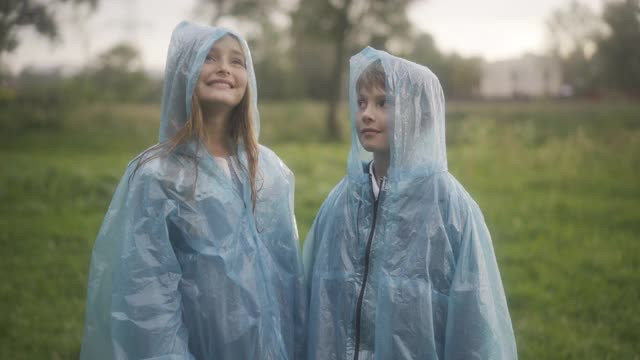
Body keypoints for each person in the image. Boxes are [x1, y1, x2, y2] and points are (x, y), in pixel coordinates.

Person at [80, 21, 305, 360]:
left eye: (237, 61)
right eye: (209, 58)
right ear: (184, 71)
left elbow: (288, 277)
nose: (224, 69)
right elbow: (148, 295)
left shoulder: (268, 170)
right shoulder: (159, 175)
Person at [303, 47, 517, 359]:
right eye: (361, 102)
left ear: (419, 113)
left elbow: (476, 320)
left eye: (383, 103)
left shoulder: (449, 208)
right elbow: (316, 299)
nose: (366, 113)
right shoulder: (341, 202)